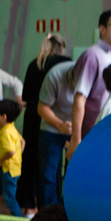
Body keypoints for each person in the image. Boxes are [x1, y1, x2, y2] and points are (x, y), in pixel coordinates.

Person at [19, 34, 70, 213]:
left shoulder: (35, 64)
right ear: (61, 47)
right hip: (55, 116)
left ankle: (28, 205)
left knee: (30, 160)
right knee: (52, 166)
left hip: (33, 114)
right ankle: (53, 207)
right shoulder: (65, 63)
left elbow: (25, 95)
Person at [70, 10, 111, 155]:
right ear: (102, 29)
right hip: (92, 133)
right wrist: (75, 139)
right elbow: (79, 98)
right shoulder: (91, 55)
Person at [36, 59, 76, 207]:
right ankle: (48, 216)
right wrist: (61, 125)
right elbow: (42, 108)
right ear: (71, 77)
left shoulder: (90, 75)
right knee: (48, 175)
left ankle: (69, 214)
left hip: (76, 130)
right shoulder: (55, 75)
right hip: (52, 127)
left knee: (75, 175)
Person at [0, 99, 23, 215]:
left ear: (4, 117)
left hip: (9, 171)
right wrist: (18, 155)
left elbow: (11, 151)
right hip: (6, 169)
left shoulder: (6, 133)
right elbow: (22, 141)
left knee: (9, 199)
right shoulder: (10, 128)